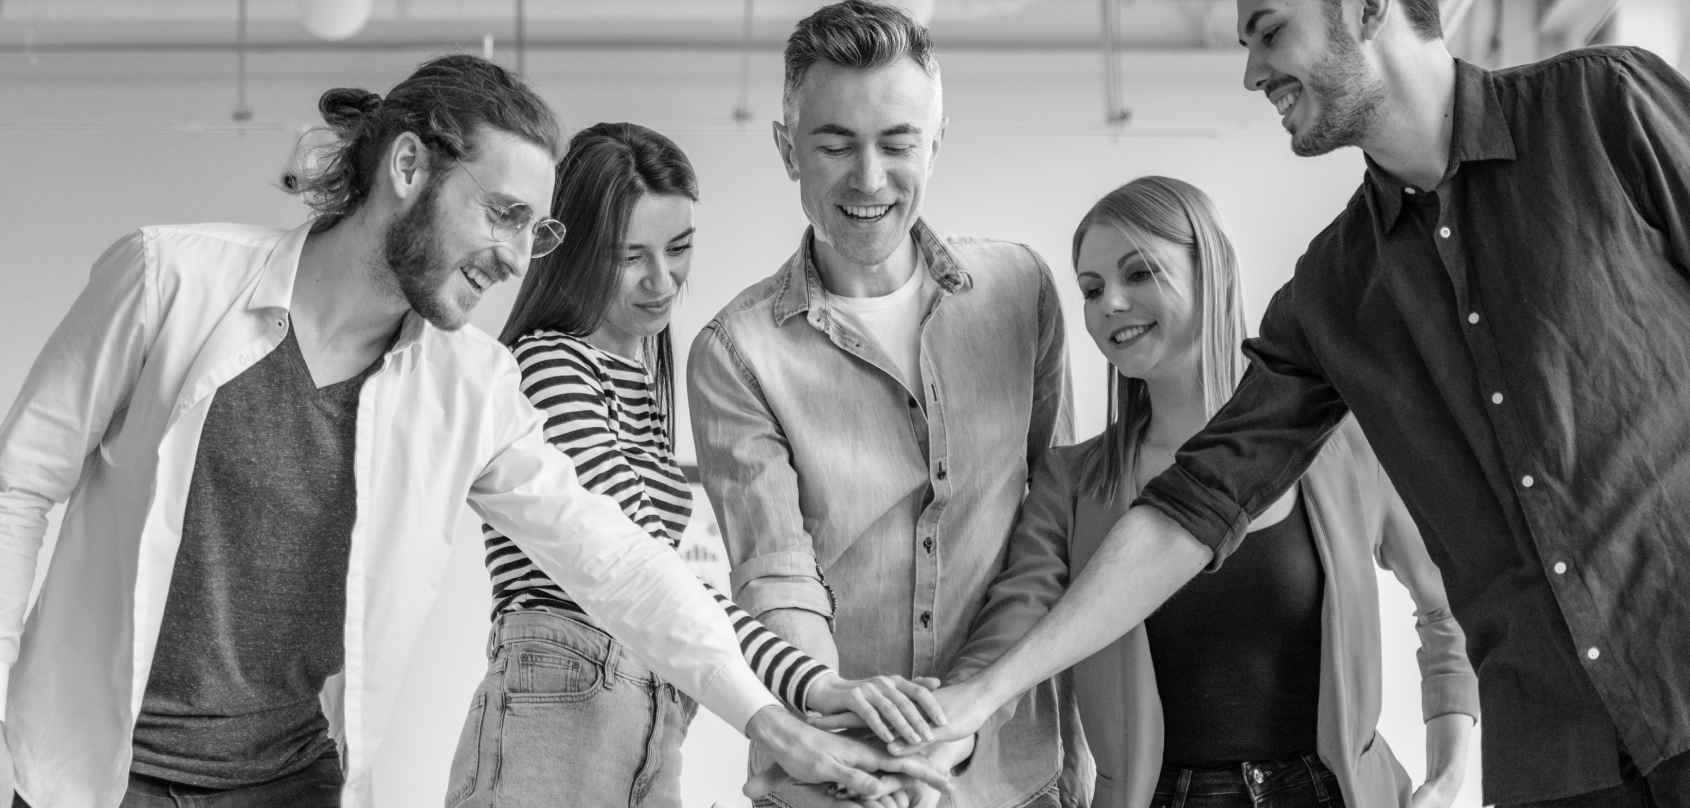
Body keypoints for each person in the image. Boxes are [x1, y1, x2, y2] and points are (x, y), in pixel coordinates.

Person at [903, 1, 1690, 807]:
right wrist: (976, 698)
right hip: (1553, 755)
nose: (1252, 71)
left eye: (1269, 30)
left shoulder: (1604, 105)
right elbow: (1196, 507)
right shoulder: (1335, 290)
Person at [0, 55, 949, 808]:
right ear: (408, 168)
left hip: (294, 780)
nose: (515, 257)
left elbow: (619, 564)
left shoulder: (471, 385)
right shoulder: (168, 281)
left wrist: (777, 715)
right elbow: (19, 486)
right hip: (97, 770)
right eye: (502, 215)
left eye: (536, 231)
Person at [447, 122, 950, 808]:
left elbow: (666, 593)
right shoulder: (552, 363)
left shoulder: (635, 376)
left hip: (644, 703)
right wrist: (810, 684)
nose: (662, 282)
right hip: (566, 699)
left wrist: (815, 688)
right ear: (574, 251)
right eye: (630, 257)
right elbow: (642, 577)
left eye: (679, 248)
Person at [947, 176, 1475, 808]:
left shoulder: (1340, 440)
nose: (1110, 302)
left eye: (1138, 273)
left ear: (1213, 271)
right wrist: (943, 723)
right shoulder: (1072, 483)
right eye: (1091, 289)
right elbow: (1011, 634)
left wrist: (1447, 777)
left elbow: (1451, 605)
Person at [686, 2, 1086, 806]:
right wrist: (867, 755)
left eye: (898, 143)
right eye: (835, 144)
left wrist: (965, 715)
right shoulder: (736, 352)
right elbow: (777, 579)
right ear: (787, 149)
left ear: (935, 143)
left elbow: (1052, 526)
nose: (869, 179)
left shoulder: (1021, 292)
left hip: (1016, 773)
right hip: (836, 780)